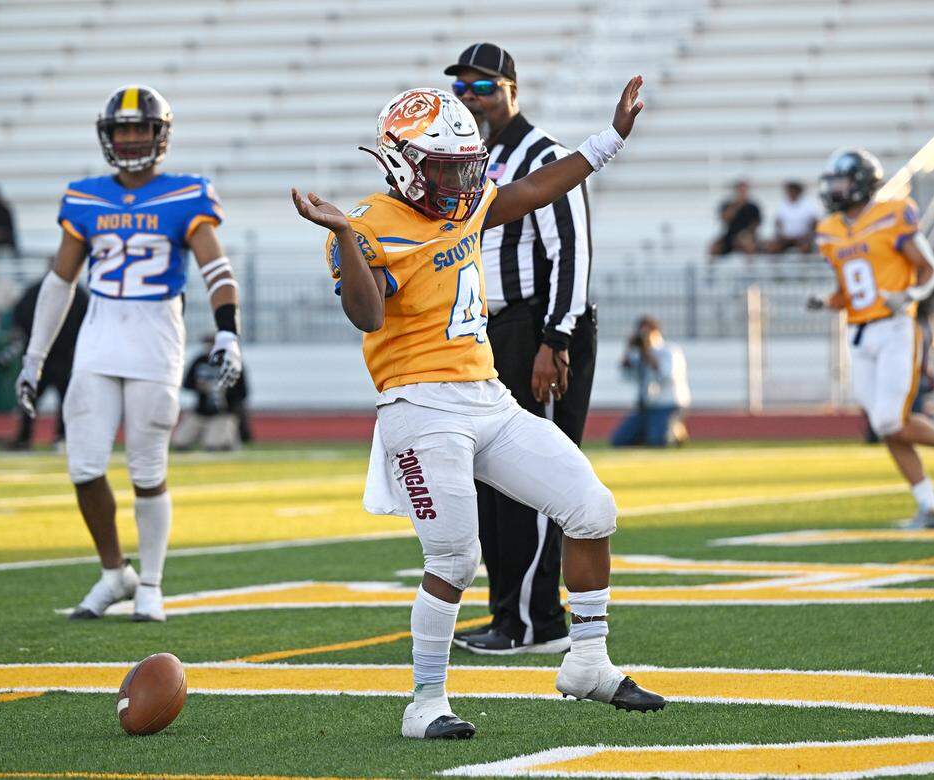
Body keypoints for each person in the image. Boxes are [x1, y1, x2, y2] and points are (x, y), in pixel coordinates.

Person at [292, 78, 664, 740]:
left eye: (470, 165)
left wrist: (610, 141)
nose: (465, 179)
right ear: (405, 164)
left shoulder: (461, 203)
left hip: (488, 397)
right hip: (419, 406)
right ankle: (425, 703)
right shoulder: (369, 224)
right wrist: (345, 236)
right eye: (449, 167)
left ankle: (588, 663)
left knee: (592, 509)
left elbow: (531, 190)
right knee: (455, 559)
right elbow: (366, 313)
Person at [15, 85, 243, 623]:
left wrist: (229, 332)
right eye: (123, 129)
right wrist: (34, 356)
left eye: (142, 128)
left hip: (156, 337)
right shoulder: (86, 196)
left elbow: (217, 269)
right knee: (84, 466)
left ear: (160, 135)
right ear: (108, 135)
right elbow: (59, 282)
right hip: (99, 337)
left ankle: (152, 583)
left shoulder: (187, 194)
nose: (133, 137)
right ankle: (114, 571)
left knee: (147, 469)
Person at [441, 43, 595, 657]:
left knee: (535, 471)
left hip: (538, 326)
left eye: (480, 87)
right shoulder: (476, 159)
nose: (468, 98)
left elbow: (571, 250)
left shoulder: (543, 154)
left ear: (511, 87)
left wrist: (555, 338)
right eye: (460, 89)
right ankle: (509, 614)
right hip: (491, 327)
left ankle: (537, 621)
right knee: (492, 477)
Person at [808, 149, 934, 528]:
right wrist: (826, 302)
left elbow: (930, 270)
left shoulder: (892, 214)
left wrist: (909, 296)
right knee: (883, 423)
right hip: (858, 333)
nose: (834, 189)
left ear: (861, 182)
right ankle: (931, 506)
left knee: (891, 419)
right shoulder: (830, 231)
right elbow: (850, 291)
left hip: (895, 328)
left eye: (841, 180)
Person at [6, 270, 89, 450]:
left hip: (54, 356)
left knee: (42, 398)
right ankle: (58, 437)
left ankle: (27, 438)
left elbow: (19, 316)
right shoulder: (76, 293)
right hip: (59, 356)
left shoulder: (37, 290)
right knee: (56, 399)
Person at [610, 316, 690, 447]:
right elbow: (625, 375)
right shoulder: (639, 354)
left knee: (657, 442)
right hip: (647, 407)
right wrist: (628, 348)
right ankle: (650, 431)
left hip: (668, 405)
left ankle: (676, 432)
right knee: (619, 441)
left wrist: (648, 354)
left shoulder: (670, 351)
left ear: (656, 332)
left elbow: (667, 376)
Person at [173, 334, 249, 451]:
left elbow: (243, 392)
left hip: (223, 413)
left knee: (213, 444)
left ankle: (230, 437)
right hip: (201, 412)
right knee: (179, 441)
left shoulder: (233, 363)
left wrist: (224, 390)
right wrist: (200, 388)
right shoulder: (199, 361)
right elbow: (187, 384)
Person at [709, 179, 761, 257]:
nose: (742, 192)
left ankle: (749, 268)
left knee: (749, 245)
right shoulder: (728, 204)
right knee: (714, 247)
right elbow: (724, 218)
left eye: (744, 190)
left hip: (747, 235)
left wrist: (747, 233)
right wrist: (737, 205)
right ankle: (711, 269)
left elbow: (756, 223)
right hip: (730, 235)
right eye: (740, 190)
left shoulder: (753, 206)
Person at [767, 181, 819, 253]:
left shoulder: (807, 204)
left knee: (805, 247)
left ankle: (803, 264)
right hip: (785, 238)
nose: (790, 193)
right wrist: (781, 234)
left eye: (792, 190)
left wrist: (807, 235)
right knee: (772, 247)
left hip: (802, 238)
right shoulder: (783, 204)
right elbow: (778, 222)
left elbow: (814, 222)